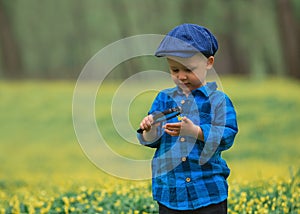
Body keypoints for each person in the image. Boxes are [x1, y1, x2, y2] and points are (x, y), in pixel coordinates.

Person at [137, 23, 238, 213]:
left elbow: (227, 135)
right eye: (175, 70)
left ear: (209, 62)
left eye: (189, 70)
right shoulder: (163, 99)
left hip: (208, 191)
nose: (181, 76)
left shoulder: (218, 101)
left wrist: (197, 132)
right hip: (170, 192)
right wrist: (149, 130)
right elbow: (151, 141)